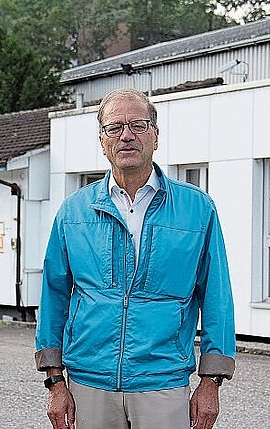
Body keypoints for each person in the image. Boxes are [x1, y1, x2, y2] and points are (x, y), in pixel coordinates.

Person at [35, 88, 235, 429]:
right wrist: (55, 381)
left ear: (156, 136)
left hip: (163, 382)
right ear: (102, 140)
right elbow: (54, 297)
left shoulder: (197, 210)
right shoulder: (73, 212)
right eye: (115, 128)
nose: (126, 136)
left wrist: (211, 381)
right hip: (89, 382)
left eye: (138, 125)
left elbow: (217, 297)